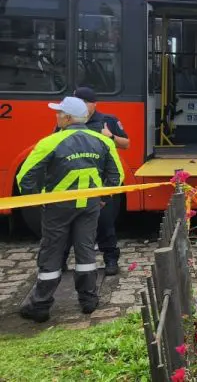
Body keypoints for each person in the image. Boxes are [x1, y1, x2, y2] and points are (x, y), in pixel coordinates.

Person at [17, 96, 124, 322]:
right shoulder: (103, 142)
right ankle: (88, 300)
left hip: (57, 208)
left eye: (59, 113)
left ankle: (40, 305)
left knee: (52, 252)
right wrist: (103, 197)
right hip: (89, 206)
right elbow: (117, 175)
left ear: (67, 118)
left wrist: (35, 200)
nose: (56, 116)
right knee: (86, 251)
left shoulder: (50, 142)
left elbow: (25, 176)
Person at [60, 87, 129, 276]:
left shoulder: (108, 121)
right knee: (66, 228)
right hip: (72, 187)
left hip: (101, 186)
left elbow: (126, 144)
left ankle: (111, 260)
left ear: (94, 104)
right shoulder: (66, 122)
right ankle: (60, 260)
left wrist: (111, 137)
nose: (81, 106)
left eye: (84, 102)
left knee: (106, 225)